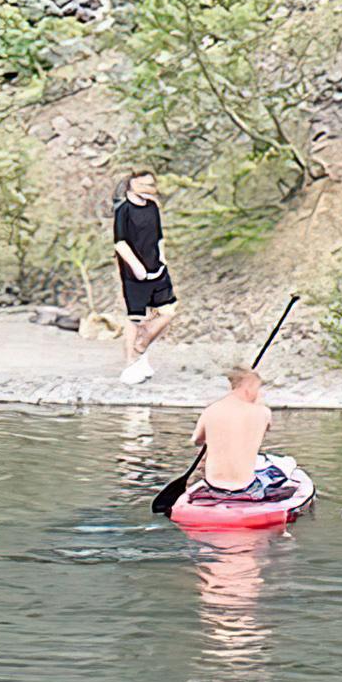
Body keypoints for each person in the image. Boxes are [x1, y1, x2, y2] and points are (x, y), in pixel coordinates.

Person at [113, 171, 177, 385]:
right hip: (134, 273)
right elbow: (120, 243)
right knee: (136, 318)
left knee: (167, 311)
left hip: (157, 269)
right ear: (132, 186)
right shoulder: (123, 211)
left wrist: (162, 258)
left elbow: (158, 236)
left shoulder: (152, 208)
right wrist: (137, 267)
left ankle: (141, 346)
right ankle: (132, 362)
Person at [190, 367, 284, 499]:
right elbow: (264, 430)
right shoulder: (263, 412)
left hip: (213, 485)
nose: (259, 394)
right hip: (246, 488)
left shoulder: (211, 410)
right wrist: (257, 403)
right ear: (248, 387)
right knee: (278, 476)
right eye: (257, 389)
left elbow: (196, 440)